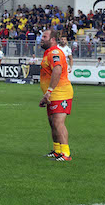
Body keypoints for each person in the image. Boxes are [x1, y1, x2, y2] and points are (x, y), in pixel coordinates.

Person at [39, 29, 74, 162]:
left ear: (52, 39)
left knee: (58, 123)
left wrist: (49, 91)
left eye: (44, 36)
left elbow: (57, 70)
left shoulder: (54, 53)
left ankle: (66, 153)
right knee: (53, 123)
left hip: (61, 93)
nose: (41, 39)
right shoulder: (48, 53)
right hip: (53, 94)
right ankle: (57, 151)